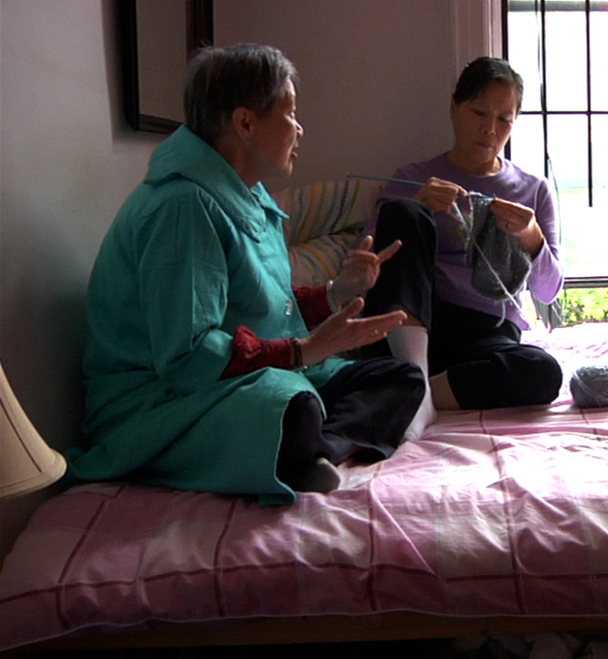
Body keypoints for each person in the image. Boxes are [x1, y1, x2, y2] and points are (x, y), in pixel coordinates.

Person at [69, 44, 425, 505]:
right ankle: (304, 442)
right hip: (162, 404)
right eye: (290, 113)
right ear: (245, 123)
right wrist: (305, 350)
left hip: (253, 379)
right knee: (294, 409)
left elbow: (265, 303)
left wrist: (339, 293)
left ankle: (317, 450)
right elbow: (188, 357)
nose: (300, 129)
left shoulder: (247, 197)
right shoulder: (183, 207)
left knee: (402, 379)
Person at [361, 57, 564, 430]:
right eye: (479, 113)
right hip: (416, 321)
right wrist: (419, 208)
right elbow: (366, 264)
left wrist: (532, 237)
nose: (489, 129)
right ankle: (411, 374)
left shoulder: (534, 190)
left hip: (486, 334)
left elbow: (549, 293)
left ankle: (414, 391)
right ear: (454, 108)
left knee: (543, 372)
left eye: (504, 119)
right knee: (404, 212)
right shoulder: (412, 178)